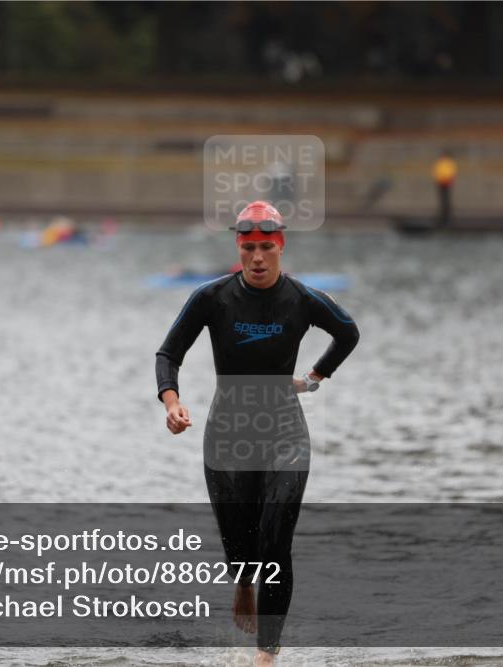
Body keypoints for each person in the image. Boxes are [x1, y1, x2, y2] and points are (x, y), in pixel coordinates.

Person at [155, 201, 360, 666]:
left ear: (281, 245)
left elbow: (348, 333)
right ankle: (243, 580)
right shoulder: (212, 298)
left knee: (275, 539)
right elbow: (168, 354)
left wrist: (312, 378)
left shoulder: (303, 299)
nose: (258, 257)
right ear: (238, 248)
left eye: (267, 246)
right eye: (249, 248)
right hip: (226, 434)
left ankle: (265, 656)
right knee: (241, 545)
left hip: (285, 430)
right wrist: (172, 403)